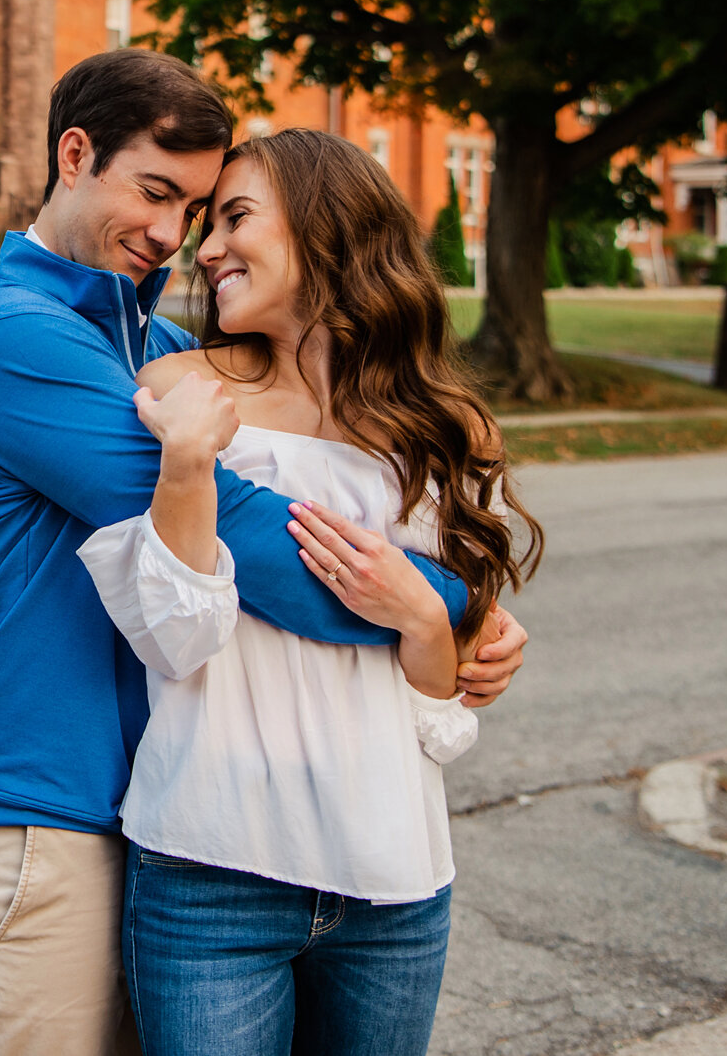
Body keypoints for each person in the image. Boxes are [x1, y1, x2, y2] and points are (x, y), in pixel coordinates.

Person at [0, 50, 529, 1056]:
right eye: (153, 192)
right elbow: (263, 544)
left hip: (139, 812)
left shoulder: (149, 345)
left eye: (197, 208)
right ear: (74, 155)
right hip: (40, 809)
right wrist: (452, 609)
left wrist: (453, 616)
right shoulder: (15, 336)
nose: (174, 236)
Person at [75, 127, 543, 1056]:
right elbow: (172, 638)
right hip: (212, 873)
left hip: (396, 882)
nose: (205, 249)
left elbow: (441, 720)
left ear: (329, 230)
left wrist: (423, 616)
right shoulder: (184, 391)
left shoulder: (451, 434)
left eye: (234, 217)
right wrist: (185, 467)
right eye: (207, 225)